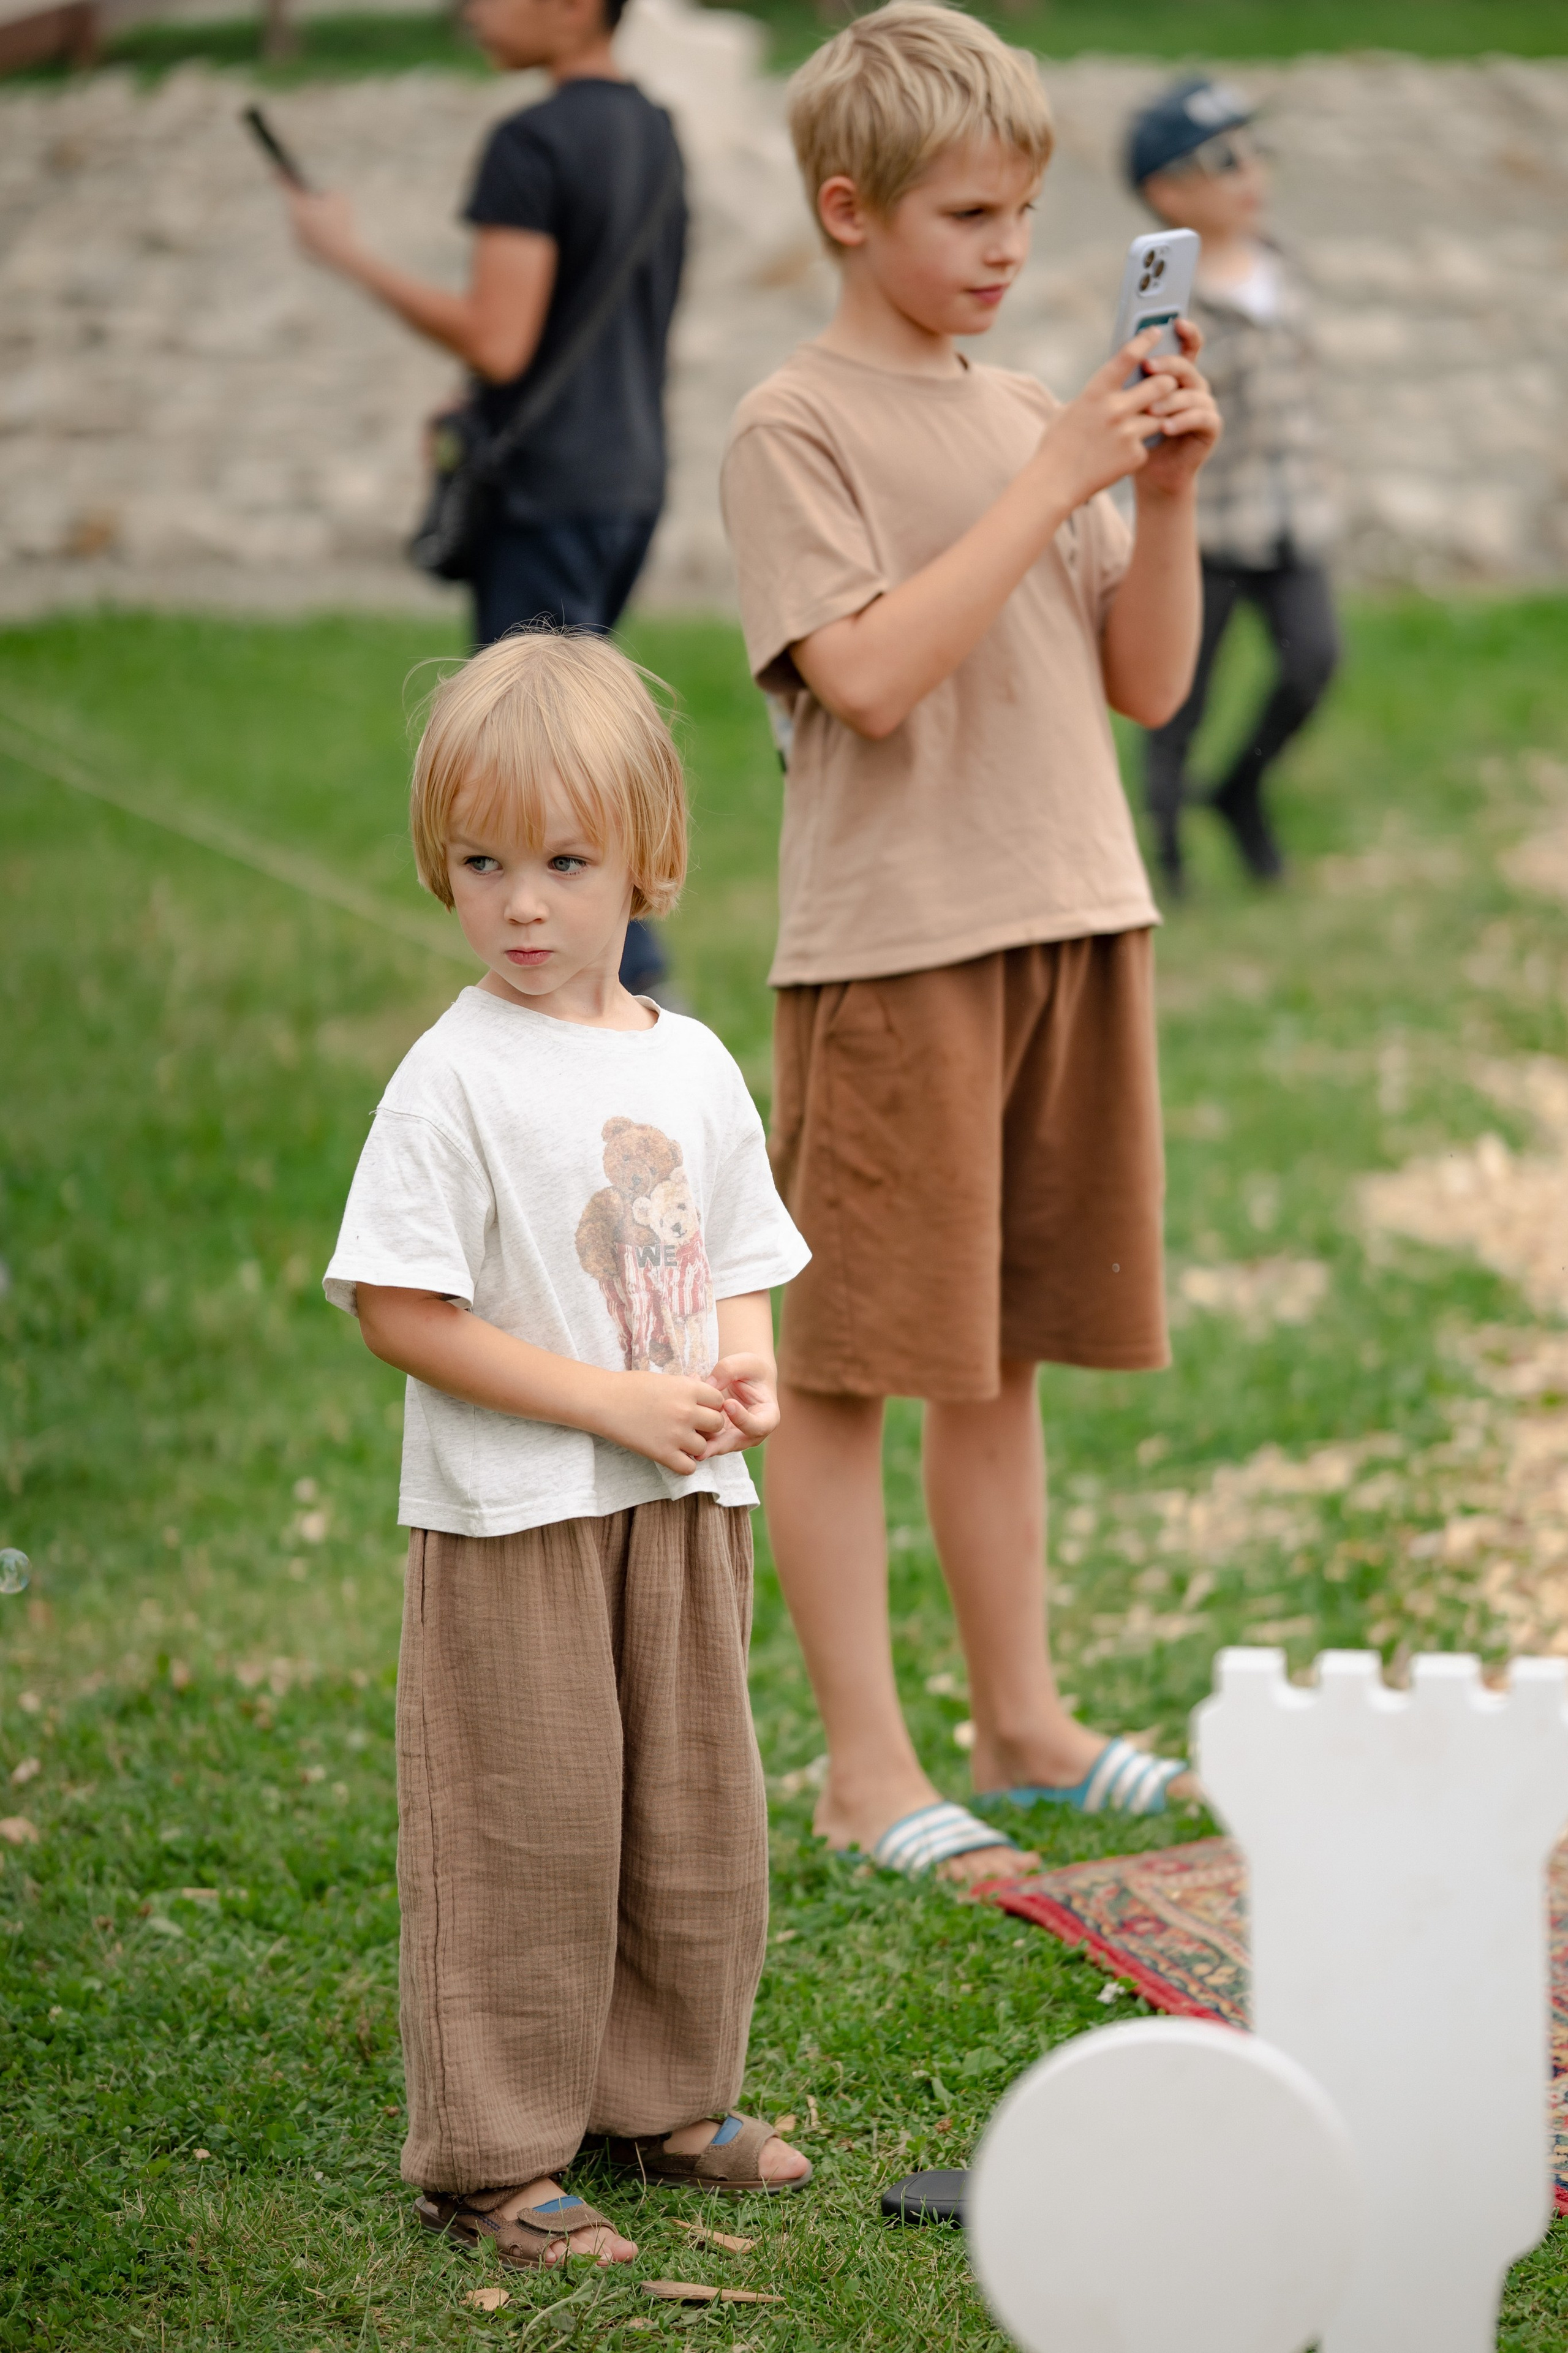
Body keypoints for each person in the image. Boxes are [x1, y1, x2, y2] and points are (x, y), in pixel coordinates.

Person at [719, 1, 1219, 1889]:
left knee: (1000, 1359)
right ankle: (866, 1765)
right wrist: (1055, 482)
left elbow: (1149, 687)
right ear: (850, 212)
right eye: (967, 217)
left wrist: (1156, 492)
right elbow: (861, 675)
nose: (1010, 252)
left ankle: (1021, 1719)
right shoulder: (796, 426)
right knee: (852, 1364)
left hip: (1072, 920)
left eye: (1026, 213)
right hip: (897, 953)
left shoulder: (1034, 415)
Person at [322, 632, 812, 2266]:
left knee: (689, 1806)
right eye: (482, 861)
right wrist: (610, 1401)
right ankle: (497, 2151)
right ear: (440, 867)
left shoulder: (689, 1063)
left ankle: (666, 2096)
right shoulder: (452, 1076)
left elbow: (741, 1257)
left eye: (563, 860)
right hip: (514, 1511)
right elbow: (399, 1308)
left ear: (647, 863)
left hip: (680, 1499)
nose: (521, 901)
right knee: (527, 1817)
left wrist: (741, 1373)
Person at [279, 0, 685, 992]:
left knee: (537, 760)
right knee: (582, 740)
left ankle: (623, 988)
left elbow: (501, 337)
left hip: (546, 489)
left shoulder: (531, 139)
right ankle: (618, 981)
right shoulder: (654, 130)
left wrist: (346, 253)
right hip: (630, 474)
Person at [1128, 78, 1340, 891]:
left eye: (1255, 151)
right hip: (1209, 528)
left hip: (1291, 518)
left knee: (1314, 661)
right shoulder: (1168, 303)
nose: (1249, 173)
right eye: (1222, 160)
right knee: (1181, 695)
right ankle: (1167, 852)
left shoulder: (1283, 264)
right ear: (1167, 191)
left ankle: (1241, 791)